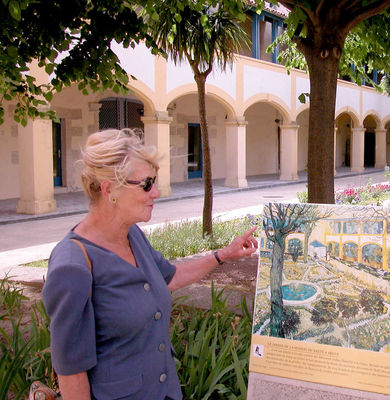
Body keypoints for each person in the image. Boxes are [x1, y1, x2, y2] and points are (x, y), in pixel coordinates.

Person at [41, 129, 258, 400]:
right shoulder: (71, 266)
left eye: (154, 182)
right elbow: (71, 372)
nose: (155, 192)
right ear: (110, 189)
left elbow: (171, 277)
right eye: (146, 184)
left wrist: (223, 254)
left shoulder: (132, 235)